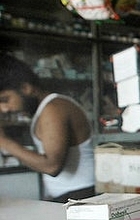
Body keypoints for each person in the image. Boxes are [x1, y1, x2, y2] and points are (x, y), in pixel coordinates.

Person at [0, 53, 95, 202]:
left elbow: (52, 166)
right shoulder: (44, 110)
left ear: (26, 88)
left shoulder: (53, 108)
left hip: (82, 196)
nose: (4, 109)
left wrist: (4, 141)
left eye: (5, 99)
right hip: (69, 196)